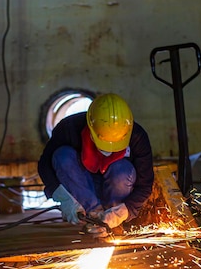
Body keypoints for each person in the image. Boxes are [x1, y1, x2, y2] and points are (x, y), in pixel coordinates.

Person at [38, 93, 154, 235]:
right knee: (62, 156)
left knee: (123, 169)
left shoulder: (137, 137)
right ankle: (93, 216)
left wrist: (125, 210)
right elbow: (44, 165)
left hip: (115, 190)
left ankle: (110, 221)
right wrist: (63, 197)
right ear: (90, 126)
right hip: (82, 187)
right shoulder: (68, 128)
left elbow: (145, 184)